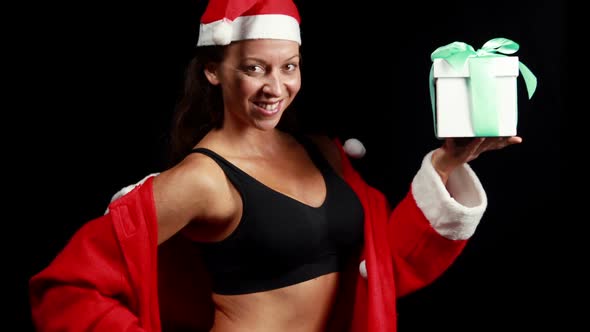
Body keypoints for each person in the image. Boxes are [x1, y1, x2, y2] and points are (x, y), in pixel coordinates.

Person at [28, 0, 524, 331]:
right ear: (212, 71)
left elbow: (381, 266)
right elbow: (68, 286)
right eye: (253, 68)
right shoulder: (203, 179)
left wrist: (445, 163)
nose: (275, 87)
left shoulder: (321, 151)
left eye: (289, 66)